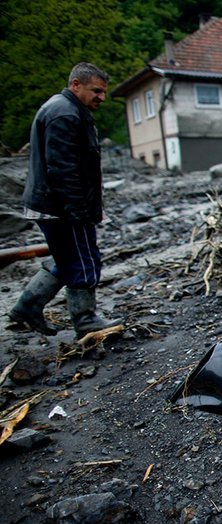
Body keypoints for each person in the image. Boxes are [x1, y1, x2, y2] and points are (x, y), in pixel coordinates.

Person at [8, 62, 121, 339]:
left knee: (67, 258)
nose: (101, 97)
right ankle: (85, 320)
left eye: (103, 92)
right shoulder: (65, 114)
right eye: (96, 91)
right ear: (76, 85)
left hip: (53, 205)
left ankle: (27, 308)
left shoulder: (64, 110)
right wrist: (79, 210)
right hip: (62, 207)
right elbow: (62, 168)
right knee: (84, 260)